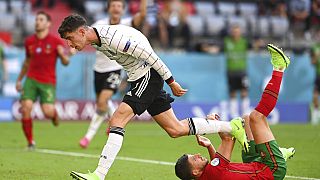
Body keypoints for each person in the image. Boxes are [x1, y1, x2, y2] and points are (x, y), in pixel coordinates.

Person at [58, 14, 249, 180]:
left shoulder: (113, 38)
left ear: (82, 31)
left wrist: (171, 81)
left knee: (117, 119)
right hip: (139, 77)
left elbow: (151, 56)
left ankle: (99, 174)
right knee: (175, 129)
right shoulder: (96, 40)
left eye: (70, 38)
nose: (69, 44)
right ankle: (232, 126)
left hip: (148, 75)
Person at [175, 44, 295, 180]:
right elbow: (228, 138)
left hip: (254, 164)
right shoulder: (212, 174)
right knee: (257, 117)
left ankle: (276, 152)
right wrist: (215, 125)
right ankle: (279, 68)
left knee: (247, 119)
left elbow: (219, 167)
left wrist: (209, 146)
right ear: (195, 172)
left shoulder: (207, 176)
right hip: (271, 170)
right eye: (194, 159)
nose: (197, 154)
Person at [79, 0, 147, 149]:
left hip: (115, 69)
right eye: (113, 6)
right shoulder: (100, 24)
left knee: (102, 101)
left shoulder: (127, 23)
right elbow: (85, 37)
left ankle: (89, 136)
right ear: (109, 9)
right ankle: (112, 117)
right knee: (101, 105)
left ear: (123, 10)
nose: (116, 8)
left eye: (119, 6)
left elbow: (141, 16)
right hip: (98, 69)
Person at [16, 11, 75, 149]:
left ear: (48, 24)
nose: (37, 22)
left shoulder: (55, 41)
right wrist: (19, 80)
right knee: (26, 108)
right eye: (37, 19)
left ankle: (54, 115)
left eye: (41, 19)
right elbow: (27, 62)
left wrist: (66, 55)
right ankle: (30, 142)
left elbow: (65, 62)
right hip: (31, 79)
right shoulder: (29, 41)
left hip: (47, 81)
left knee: (47, 112)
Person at [224, 24, 250, 118]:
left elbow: (254, 47)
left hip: (242, 72)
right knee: (233, 93)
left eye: (237, 32)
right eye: (234, 32)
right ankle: (234, 115)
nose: (236, 33)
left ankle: (245, 114)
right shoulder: (227, 42)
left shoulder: (244, 42)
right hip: (231, 72)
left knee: (244, 92)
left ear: (240, 33)